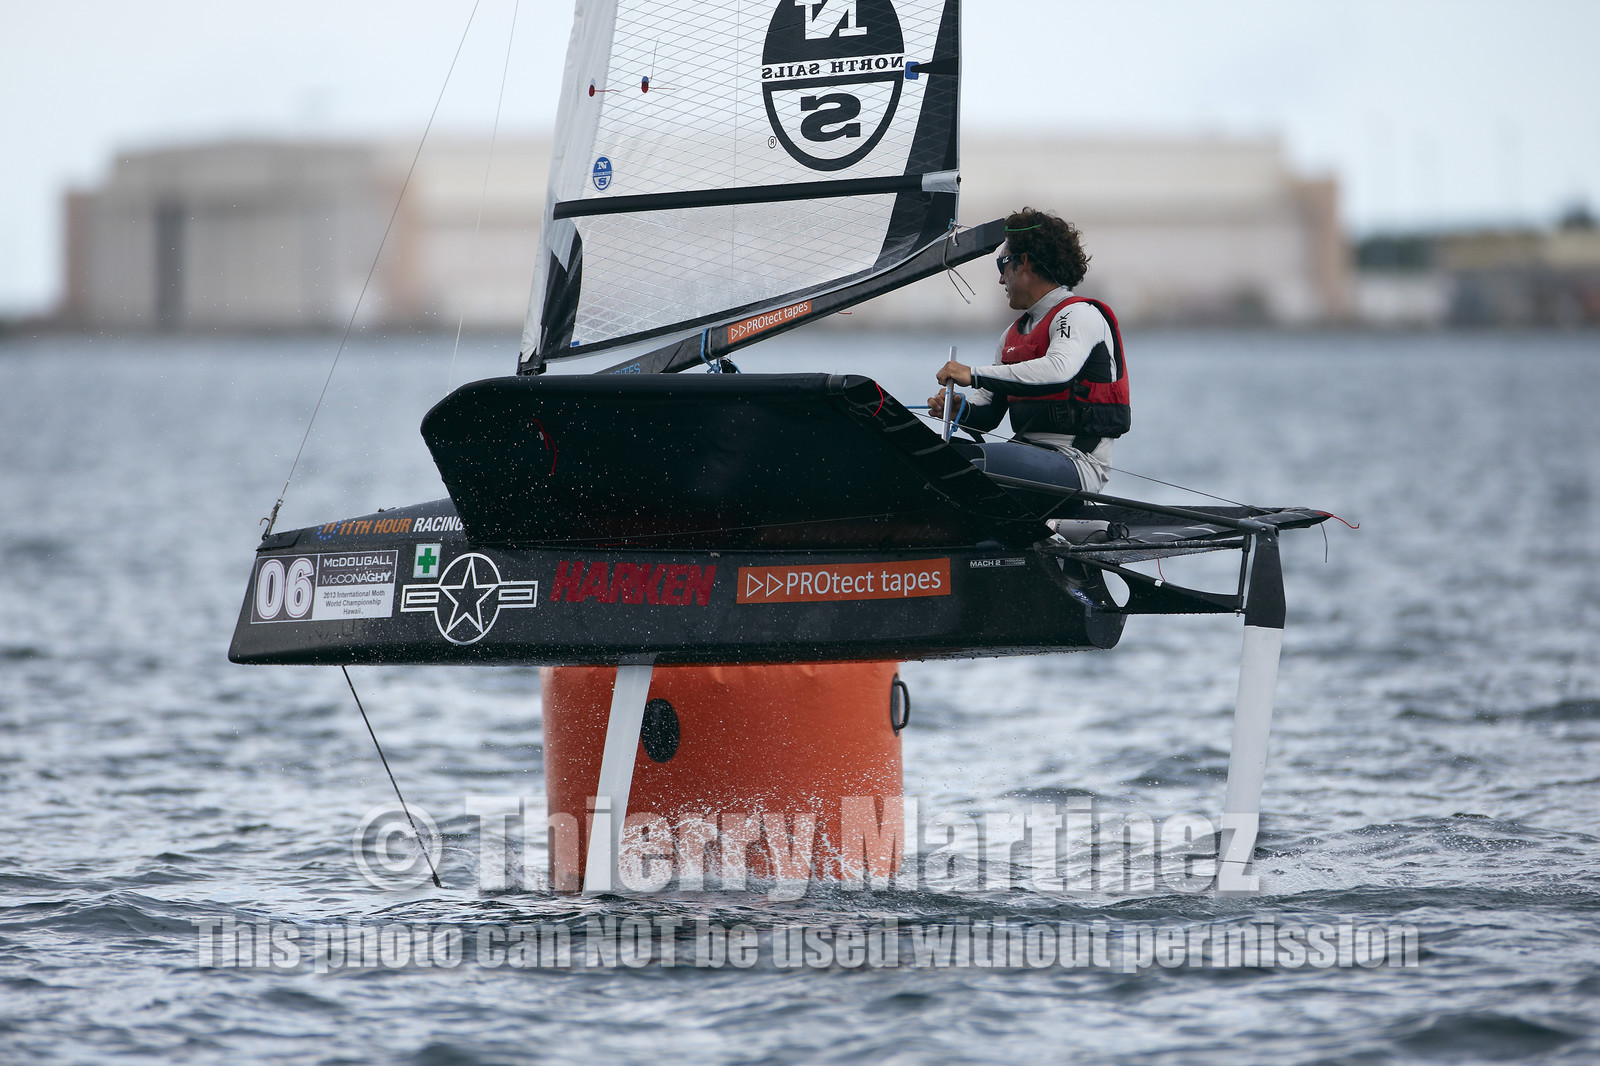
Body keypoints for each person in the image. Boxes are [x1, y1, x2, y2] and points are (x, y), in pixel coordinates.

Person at [928, 208, 1129, 499]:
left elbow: (1058, 371)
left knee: (970, 466)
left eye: (1002, 266)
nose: (1001, 281)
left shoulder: (1079, 314)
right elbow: (988, 412)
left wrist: (971, 374)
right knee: (928, 457)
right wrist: (961, 410)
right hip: (1027, 458)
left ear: (1022, 262)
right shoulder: (1011, 335)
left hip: (1077, 467)